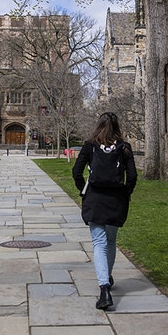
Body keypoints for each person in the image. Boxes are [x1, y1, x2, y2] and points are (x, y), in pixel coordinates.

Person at [71, 112, 137, 310]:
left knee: (99, 242)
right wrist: (126, 193)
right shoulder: (124, 147)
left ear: (98, 126)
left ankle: (104, 289)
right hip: (115, 199)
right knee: (110, 240)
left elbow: (76, 171)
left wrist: (83, 190)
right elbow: (132, 176)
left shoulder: (90, 145)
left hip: (95, 198)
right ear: (117, 127)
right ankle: (106, 276)